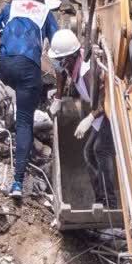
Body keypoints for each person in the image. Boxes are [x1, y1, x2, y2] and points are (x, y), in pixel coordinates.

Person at [0, 0, 60, 198]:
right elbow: (59, 48)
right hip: (28, 70)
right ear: (42, 3)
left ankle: (10, 116)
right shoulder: (46, 13)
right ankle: (17, 183)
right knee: (25, 122)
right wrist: (60, 89)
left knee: (14, 92)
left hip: (5, 68)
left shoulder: (10, 7)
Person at [48, 29, 118, 208]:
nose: (57, 64)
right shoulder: (73, 64)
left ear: (69, 58)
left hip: (111, 111)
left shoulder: (87, 72)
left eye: (59, 60)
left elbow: (107, 99)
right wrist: (57, 97)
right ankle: (101, 200)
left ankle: (111, 204)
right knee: (89, 152)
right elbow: (61, 75)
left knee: (101, 150)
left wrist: (89, 118)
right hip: (100, 115)